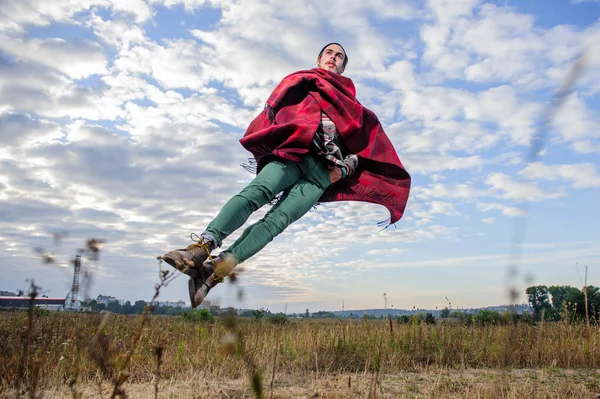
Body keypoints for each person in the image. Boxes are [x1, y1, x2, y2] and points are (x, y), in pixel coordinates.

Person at [162, 43, 411, 308]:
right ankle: (201, 249)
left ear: (343, 65)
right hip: (292, 153)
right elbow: (277, 111)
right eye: (329, 53)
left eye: (339, 56)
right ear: (320, 58)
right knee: (255, 193)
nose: (333, 57)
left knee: (275, 224)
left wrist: (343, 169)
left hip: (322, 175)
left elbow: (363, 148)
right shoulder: (302, 83)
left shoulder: (354, 107)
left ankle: (214, 272)